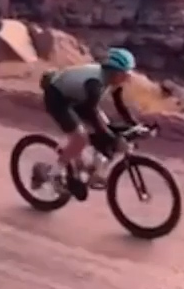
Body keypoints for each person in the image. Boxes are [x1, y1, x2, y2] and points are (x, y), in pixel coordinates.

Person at [39, 47, 141, 200]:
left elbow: (120, 105)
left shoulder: (113, 79)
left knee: (106, 127)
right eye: (126, 73)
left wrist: (135, 125)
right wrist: (111, 138)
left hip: (78, 98)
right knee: (81, 138)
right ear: (115, 71)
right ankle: (54, 175)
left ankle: (87, 167)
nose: (128, 77)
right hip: (57, 98)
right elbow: (90, 112)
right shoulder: (95, 84)